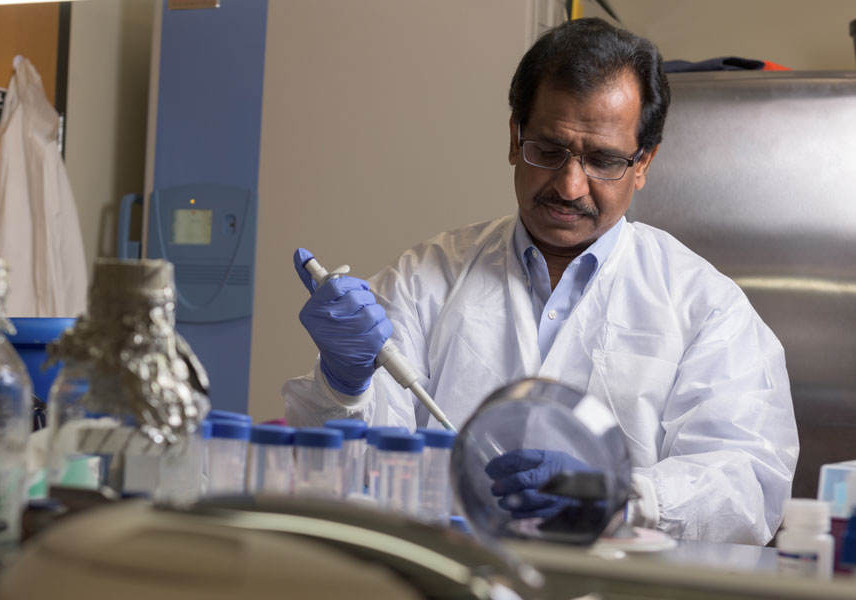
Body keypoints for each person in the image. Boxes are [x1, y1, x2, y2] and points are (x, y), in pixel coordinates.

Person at [282, 18, 798, 546]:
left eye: (603, 160)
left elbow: (748, 484)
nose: (570, 186)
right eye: (549, 151)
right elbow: (347, 471)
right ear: (515, 138)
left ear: (643, 163)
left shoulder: (706, 306)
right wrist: (345, 386)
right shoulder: (427, 277)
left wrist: (619, 498)